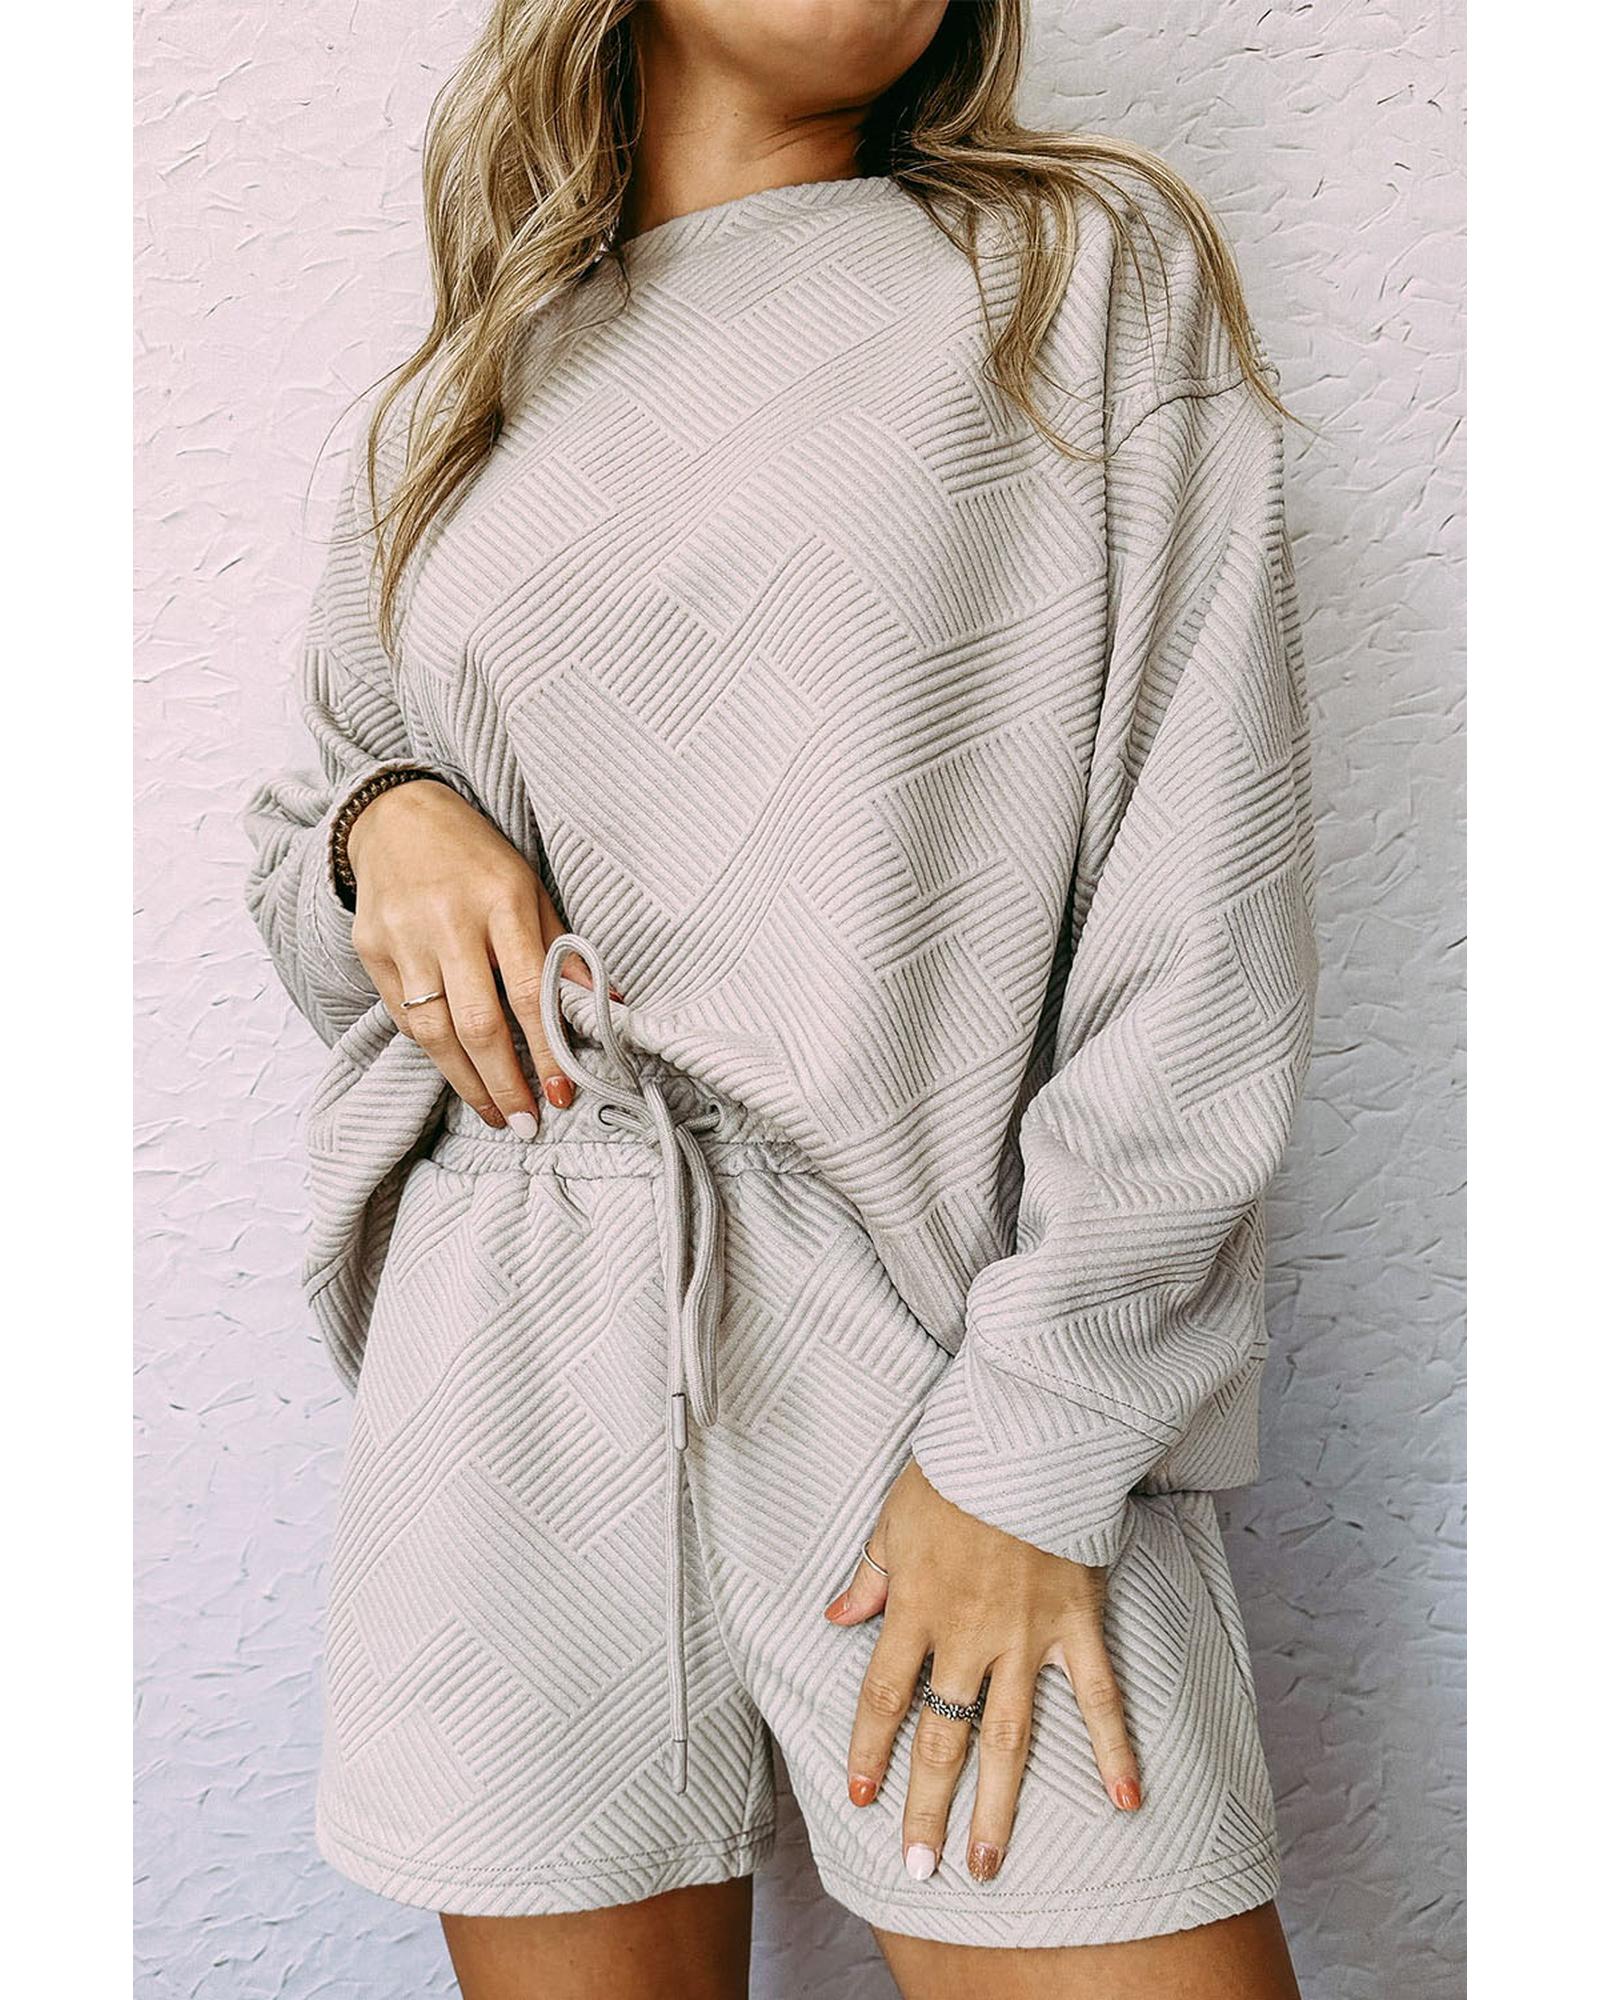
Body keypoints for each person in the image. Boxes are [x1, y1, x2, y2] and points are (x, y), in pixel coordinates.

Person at [240, 2, 1318, 1994]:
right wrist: (380, 824)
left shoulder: (1068, 276)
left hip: (926, 1347)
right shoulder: (457, 396)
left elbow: (1205, 904)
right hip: (516, 1351)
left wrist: (1035, 1438)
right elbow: (316, 880)